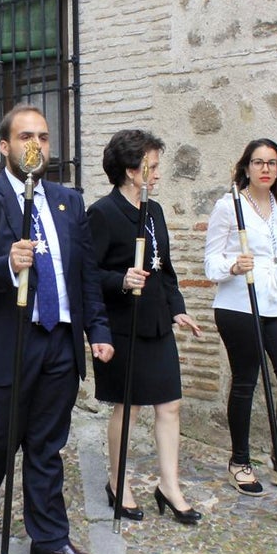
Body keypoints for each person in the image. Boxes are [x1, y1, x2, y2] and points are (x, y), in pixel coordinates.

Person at [0, 104, 114, 554]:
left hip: (58, 339)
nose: (35, 144)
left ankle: (49, 536)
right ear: (5, 146)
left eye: (42, 135)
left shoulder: (69, 201)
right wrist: (7, 265)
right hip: (5, 340)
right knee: (1, 437)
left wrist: (97, 331)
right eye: (25, 136)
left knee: (47, 443)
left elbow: (83, 275)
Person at [87, 130, 204, 525]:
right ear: (130, 171)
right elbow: (87, 274)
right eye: (151, 167)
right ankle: (117, 481)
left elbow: (163, 268)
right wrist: (121, 279)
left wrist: (177, 308)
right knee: (130, 406)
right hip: (121, 324)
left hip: (156, 323)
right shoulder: (102, 213)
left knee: (169, 404)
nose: (156, 174)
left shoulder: (153, 211)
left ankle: (169, 485)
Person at [204, 138, 277, 496]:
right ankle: (240, 461)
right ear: (246, 167)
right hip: (239, 305)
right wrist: (233, 265)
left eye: (272, 163)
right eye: (258, 162)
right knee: (247, 381)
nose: (265, 169)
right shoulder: (229, 206)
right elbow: (210, 263)